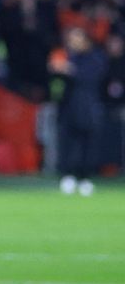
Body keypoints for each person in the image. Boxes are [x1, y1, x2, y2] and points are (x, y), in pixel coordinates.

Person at [50, 26, 107, 196]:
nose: (72, 42)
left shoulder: (95, 57)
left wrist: (69, 70)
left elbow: (93, 77)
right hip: (68, 107)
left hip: (88, 107)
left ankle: (85, 178)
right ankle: (68, 176)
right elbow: (56, 83)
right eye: (71, 39)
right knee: (67, 143)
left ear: (85, 41)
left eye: (76, 39)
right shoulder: (66, 56)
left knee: (87, 145)